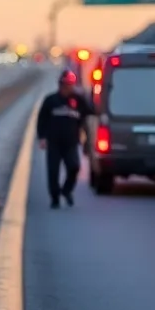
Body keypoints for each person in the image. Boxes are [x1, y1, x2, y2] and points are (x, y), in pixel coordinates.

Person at [36, 69, 95, 208]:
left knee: (74, 167)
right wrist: (42, 137)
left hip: (71, 142)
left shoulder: (78, 100)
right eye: (66, 85)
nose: (68, 88)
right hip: (54, 142)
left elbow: (90, 114)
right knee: (53, 172)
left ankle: (66, 190)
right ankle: (55, 198)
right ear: (60, 85)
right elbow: (41, 120)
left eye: (71, 85)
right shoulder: (50, 100)